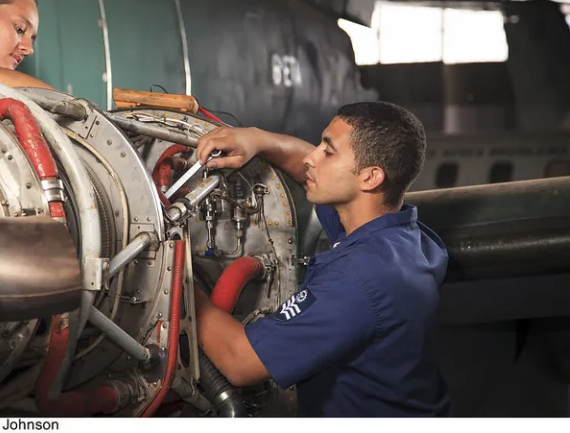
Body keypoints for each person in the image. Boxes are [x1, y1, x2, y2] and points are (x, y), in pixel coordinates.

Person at [193, 101, 452, 417]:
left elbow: (239, 360)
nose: (310, 157)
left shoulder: (359, 279)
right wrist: (256, 139)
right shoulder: (402, 235)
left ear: (370, 178)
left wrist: (177, 282)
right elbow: (307, 172)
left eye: (327, 152)